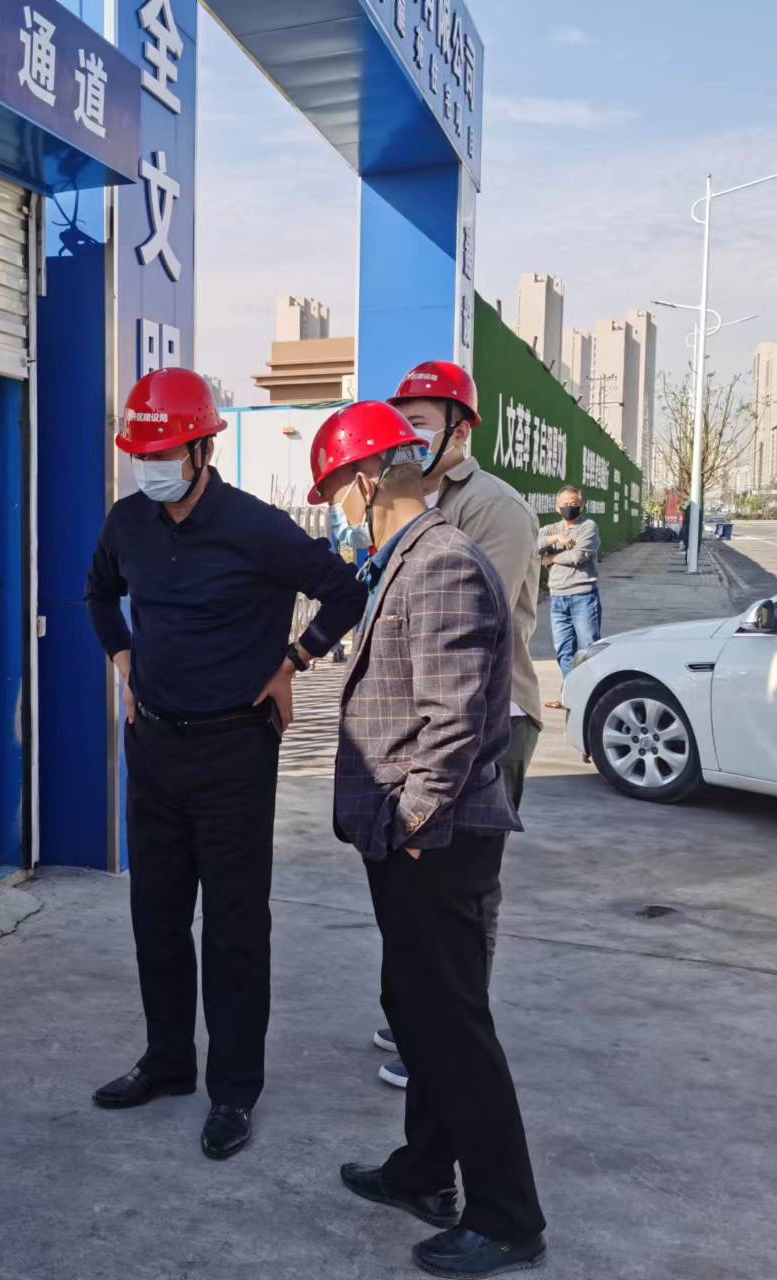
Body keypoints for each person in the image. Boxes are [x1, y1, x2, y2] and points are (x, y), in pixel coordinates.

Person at [85, 368, 366, 1161]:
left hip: (235, 751)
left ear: (203, 449)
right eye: (141, 454)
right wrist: (124, 659)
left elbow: (345, 591)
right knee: (156, 916)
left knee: (236, 928)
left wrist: (294, 662)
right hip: (154, 748)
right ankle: (168, 1061)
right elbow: (98, 594)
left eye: (166, 453)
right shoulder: (127, 523)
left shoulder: (256, 528)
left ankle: (234, 1090)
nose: (152, 467)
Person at [311, 401, 546, 1278]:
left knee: (452, 1026)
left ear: (370, 480)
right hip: (413, 836)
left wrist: (411, 823)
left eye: (337, 490)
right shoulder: (409, 556)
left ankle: (507, 1217)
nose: (336, 508)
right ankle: (423, 1173)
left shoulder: (441, 563)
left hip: (436, 841)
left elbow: (454, 723)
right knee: (418, 1010)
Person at [374, 361, 542, 1090]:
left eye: (421, 422)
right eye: (401, 423)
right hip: (422, 719)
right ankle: (420, 1013)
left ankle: (450, 1038)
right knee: (416, 889)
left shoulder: (495, 509)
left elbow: (465, 628)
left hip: (485, 722)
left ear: (461, 430)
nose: (407, 437)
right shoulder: (404, 498)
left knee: (464, 892)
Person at [538, 485, 602, 707]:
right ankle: (571, 696)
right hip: (558, 598)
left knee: (588, 650)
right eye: (564, 504)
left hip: (583, 597)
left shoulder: (588, 527)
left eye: (573, 504)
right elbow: (532, 546)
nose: (569, 508)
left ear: (582, 505)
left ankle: (593, 698)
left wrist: (551, 558)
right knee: (564, 651)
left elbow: (579, 556)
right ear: (557, 507)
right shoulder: (551, 530)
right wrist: (555, 538)